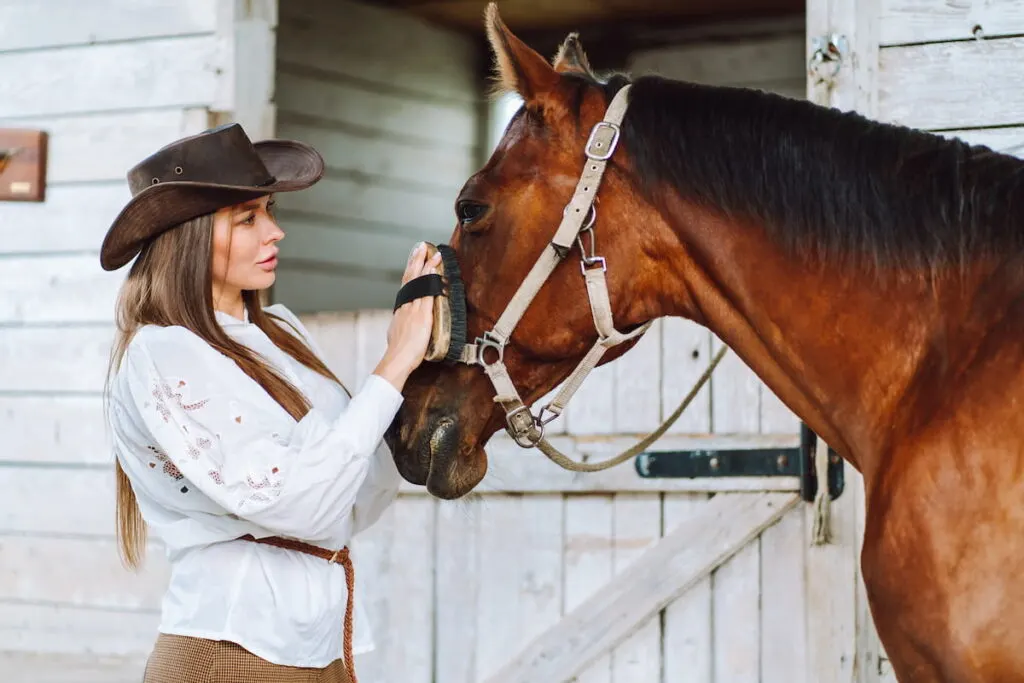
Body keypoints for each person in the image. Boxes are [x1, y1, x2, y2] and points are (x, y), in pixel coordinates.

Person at [99, 123, 440, 683]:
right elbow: (298, 504)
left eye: (271, 212)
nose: (275, 233)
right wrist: (392, 363)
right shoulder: (164, 352)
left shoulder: (280, 331)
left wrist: (418, 365)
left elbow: (353, 499)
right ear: (189, 237)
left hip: (320, 644)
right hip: (233, 647)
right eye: (248, 219)